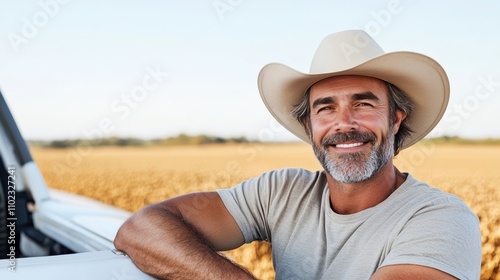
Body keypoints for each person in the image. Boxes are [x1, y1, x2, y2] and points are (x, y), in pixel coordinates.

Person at [114, 30, 482, 279]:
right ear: (310, 128)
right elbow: (140, 229)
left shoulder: (441, 219)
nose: (344, 124)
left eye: (363, 103)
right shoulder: (282, 191)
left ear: (396, 118)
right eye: (325, 108)